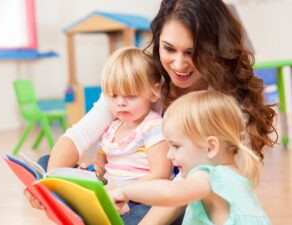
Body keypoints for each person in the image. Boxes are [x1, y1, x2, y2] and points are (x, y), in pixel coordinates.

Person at [25, 0, 277, 224]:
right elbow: (80, 134)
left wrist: (127, 197)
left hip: (175, 197)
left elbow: (180, 191)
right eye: (169, 49)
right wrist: (49, 187)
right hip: (128, 188)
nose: (178, 65)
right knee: (50, 163)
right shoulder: (141, 79)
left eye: (192, 53)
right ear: (157, 42)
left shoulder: (224, 107)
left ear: (215, 50)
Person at [109, 90, 272, 225]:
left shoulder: (209, 177)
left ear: (210, 147)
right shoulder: (234, 173)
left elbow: (171, 193)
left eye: (176, 146)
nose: (169, 154)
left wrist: (125, 191)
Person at [91, 47, 172, 214]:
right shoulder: (111, 128)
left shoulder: (153, 126)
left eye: (130, 95)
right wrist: (92, 172)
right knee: (47, 163)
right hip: (111, 195)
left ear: (154, 92)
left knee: (139, 215)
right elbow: (100, 163)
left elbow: (161, 173)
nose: (120, 102)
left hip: (140, 199)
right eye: (113, 95)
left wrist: (125, 192)